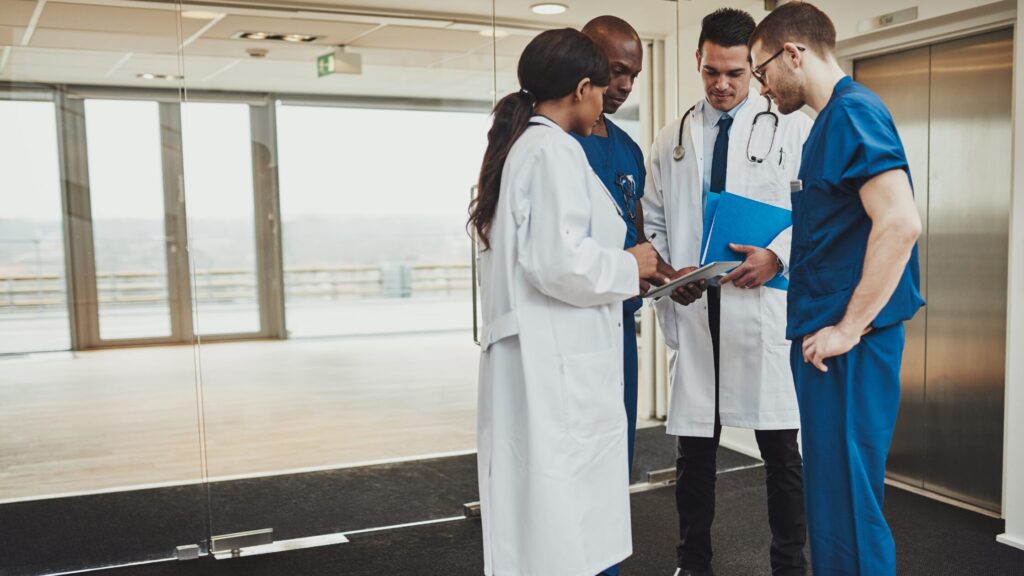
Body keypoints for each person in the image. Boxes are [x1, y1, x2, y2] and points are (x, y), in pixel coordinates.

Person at [469, 28, 660, 576]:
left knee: (545, 518)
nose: (607, 101)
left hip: (543, 357)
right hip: (554, 364)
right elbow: (558, 262)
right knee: (562, 519)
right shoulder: (552, 150)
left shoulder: (527, 147)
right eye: (602, 89)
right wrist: (633, 264)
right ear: (581, 88)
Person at [748, 4, 925, 575]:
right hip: (826, 342)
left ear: (793, 54)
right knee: (831, 497)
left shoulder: (854, 113)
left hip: (850, 344)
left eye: (760, 70)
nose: (762, 86)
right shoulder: (825, 125)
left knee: (849, 500)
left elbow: (900, 222)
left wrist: (848, 328)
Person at [642, 8, 811, 576]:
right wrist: (669, 274)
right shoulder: (673, 136)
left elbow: (817, 213)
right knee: (694, 454)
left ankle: (789, 564)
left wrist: (777, 255)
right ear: (698, 60)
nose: (721, 84)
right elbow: (654, 219)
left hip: (760, 308)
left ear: (754, 68)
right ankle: (693, 563)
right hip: (696, 310)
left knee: (782, 453)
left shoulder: (791, 124)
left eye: (735, 73)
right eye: (712, 70)